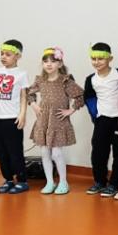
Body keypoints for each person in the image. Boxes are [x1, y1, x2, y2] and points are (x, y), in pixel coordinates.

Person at [28, 47, 85, 195]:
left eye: (53, 61)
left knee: (57, 154)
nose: (48, 64)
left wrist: (71, 110)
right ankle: (49, 182)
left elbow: (80, 96)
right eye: (45, 61)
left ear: (59, 64)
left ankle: (63, 182)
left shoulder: (65, 81)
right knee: (44, 152)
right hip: (43, 121)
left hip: (58, 122)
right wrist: (34, 105)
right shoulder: (40, 80)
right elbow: (29, 93)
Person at [83, 42, 118, 197]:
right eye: (93, 59)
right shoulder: (91, 79)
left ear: (110, 59)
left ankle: (114, 184)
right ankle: (100, 181)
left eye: (100, 59)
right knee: (98, 152)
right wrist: (96, 116)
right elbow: (89, 99)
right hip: (102, 120)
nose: (97, 62)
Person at [0, 39, 29, 194]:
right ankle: (8, 179)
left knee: (14, 151)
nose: (3, 57)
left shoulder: (21, 74)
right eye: (2, 54)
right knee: (0, 151)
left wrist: (23, 114)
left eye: (7, 54)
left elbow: (24, 96)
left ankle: (22, 180)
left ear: (17, 56)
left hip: (12, 118)